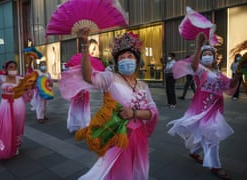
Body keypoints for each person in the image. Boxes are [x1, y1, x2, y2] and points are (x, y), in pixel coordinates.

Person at [77, 28, 158, 179]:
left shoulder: (143, 86)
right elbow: (88, 77)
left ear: (137, 61)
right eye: (121, 57)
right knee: (119, 173)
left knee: (138, 170)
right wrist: (85, 46)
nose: (126, 59)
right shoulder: (110, 79)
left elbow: (152, 112)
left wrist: (134, 113)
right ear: (116, 62)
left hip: (139, 136)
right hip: (117, 135)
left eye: (130, 56)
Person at [167, 32, 241, 180]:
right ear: (201, 57)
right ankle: (215, 166)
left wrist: (238, 73)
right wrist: (199, 46)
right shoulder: (201, 70)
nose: (207, 56)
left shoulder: (219, 73)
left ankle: (194, 151)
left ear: (214, 57)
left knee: (206, 134)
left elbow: (230, 85)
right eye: (204, 54)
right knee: (213, 138)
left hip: (216, 109)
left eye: (209, 54)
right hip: (202, 109)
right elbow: (194, 65)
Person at [0, 60, 26, 160]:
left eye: (14, 67)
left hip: (19, 104)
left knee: (18, 125)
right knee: (6, 126)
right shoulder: (0, 78)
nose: (13, 69)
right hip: (5, 105)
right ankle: (4, 146)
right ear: (6, 69)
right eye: (10, 67)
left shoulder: (20, 79)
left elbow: (28, 87)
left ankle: (15, 145)